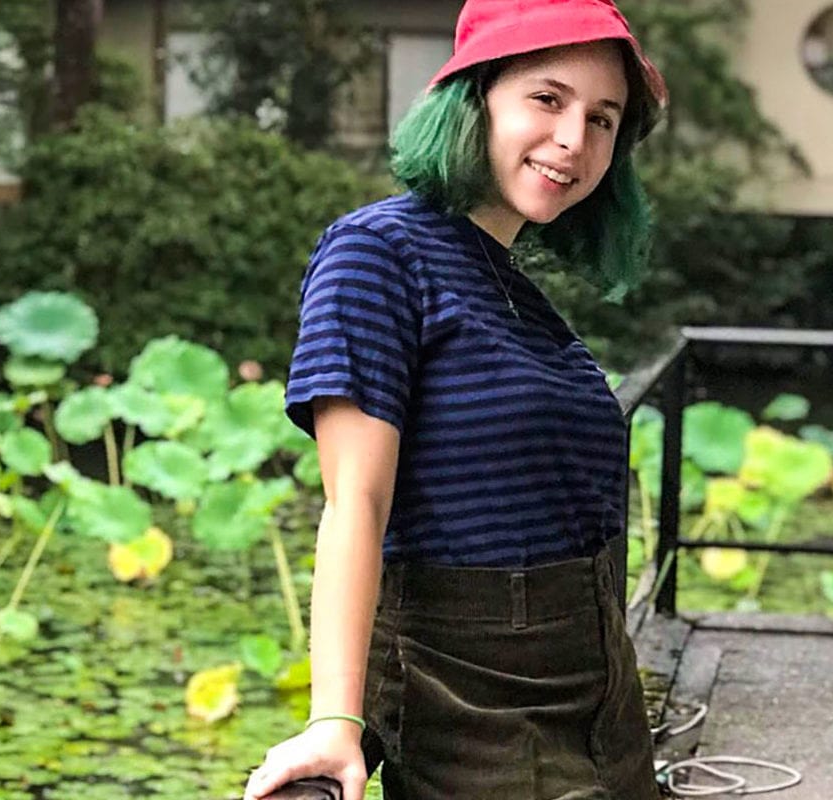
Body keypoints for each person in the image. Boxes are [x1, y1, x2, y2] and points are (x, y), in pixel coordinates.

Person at [245, 1, 669, 798]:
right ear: (473, 100)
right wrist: (334, 718)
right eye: (547, 99)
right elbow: (354, 504)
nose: (575, 139)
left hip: (599, 701)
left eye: (603, 119)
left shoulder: (508, 281)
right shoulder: (378, 254)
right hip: (471, 706)